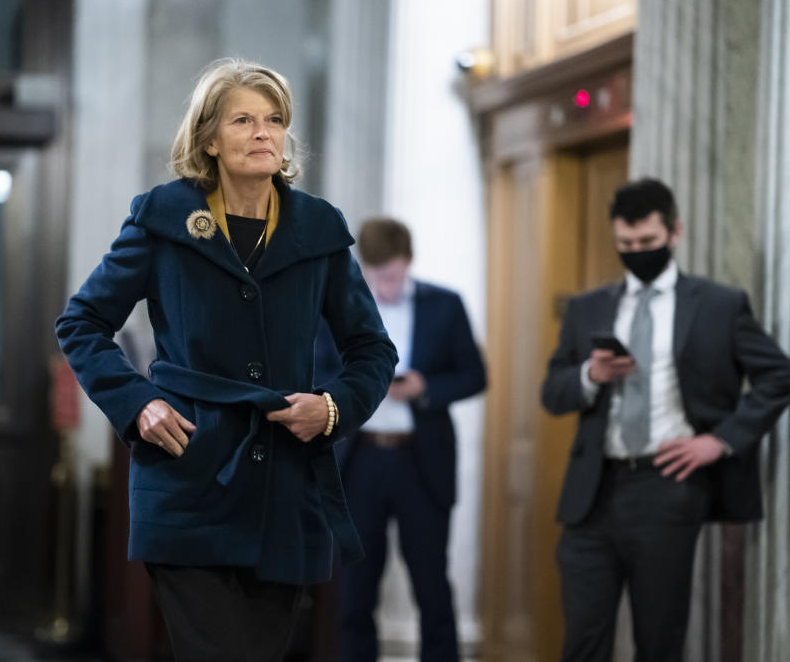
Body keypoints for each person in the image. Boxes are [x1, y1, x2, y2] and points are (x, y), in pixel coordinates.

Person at [55, 58, 397, 662]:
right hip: (188, 478)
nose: (264, 132)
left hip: (287, 489)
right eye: (243, 119)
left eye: (274, 120)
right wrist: (139, 405)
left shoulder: (319, 229)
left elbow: (372, 348)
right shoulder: (162, 218)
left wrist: (334, 408)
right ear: (209, 138)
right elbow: (80, 324)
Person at [542, 178, 790, 662]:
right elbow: (552, 393)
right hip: (591, 494)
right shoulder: (588, 307)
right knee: (583, 641)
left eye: (647, 243)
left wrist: (720, 441)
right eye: (626, 245)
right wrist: (590, 374)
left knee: (658, 640)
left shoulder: (720, 305)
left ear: (674, 232)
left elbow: (778, 375)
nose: (636, 252)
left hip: (668, 487)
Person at [316, 217, 487, 662]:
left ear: (408, 262)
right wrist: (357, 384)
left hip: (420, 460)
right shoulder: (338, 306)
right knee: (354, 590)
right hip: (359, 460)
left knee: (431, 585)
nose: (383, 286)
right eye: (373, 277)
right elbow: (315, 371)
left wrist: (424, 388)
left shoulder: (444, 305)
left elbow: (474, 375)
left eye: (390, 275)